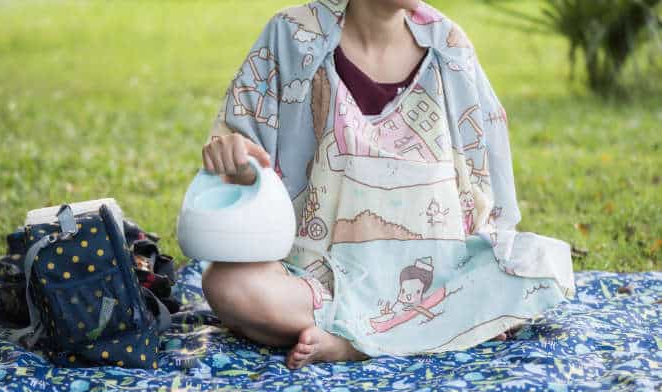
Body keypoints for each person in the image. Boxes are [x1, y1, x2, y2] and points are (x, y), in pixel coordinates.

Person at [199, 0, 575, 369]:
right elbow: (246, 157)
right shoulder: (293, 35)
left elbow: (485, 178)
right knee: (225, 284)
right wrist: (236, 158)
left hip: (440, 278)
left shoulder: (448, 47)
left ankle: (353, 344)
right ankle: (441, 329)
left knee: (541, 267)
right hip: (320, 278)